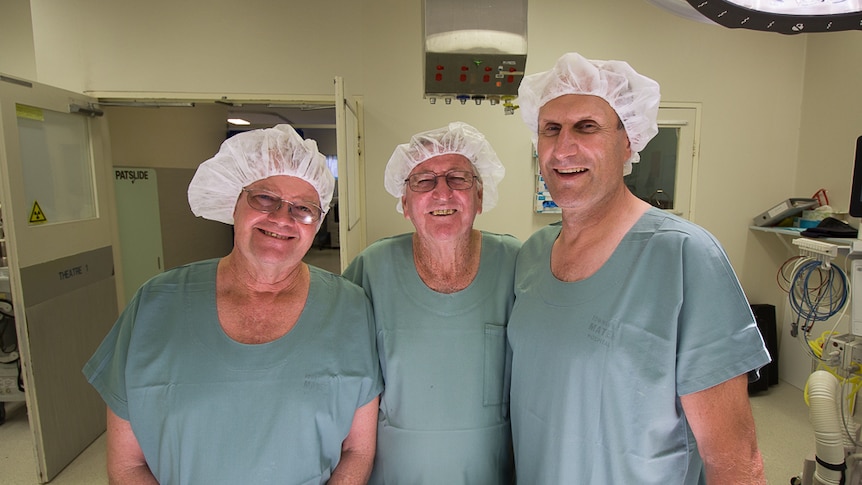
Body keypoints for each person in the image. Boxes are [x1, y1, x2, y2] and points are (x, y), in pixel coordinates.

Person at [508, 52, 771, 484]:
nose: (563, 147)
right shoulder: (533, 255)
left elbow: (736, 461)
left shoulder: (685, 257)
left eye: (587, 127)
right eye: (550, 129)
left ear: (628, 140)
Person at [83, 124, 382, 485]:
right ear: (234, 203)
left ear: (317, 223)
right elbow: (127, 464)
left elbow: (357, 451)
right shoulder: (154, 305)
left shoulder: (350, 308)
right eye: (265, 199)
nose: (282, 219)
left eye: (303, 208)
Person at [342, 121, 519, 484]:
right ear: (405, 203)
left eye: (458, 178)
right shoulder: (372, 269)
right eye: (424, 181)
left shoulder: (518, 265)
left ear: (480, 197)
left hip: (492, 473)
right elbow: (344, 389)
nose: (442, 193)